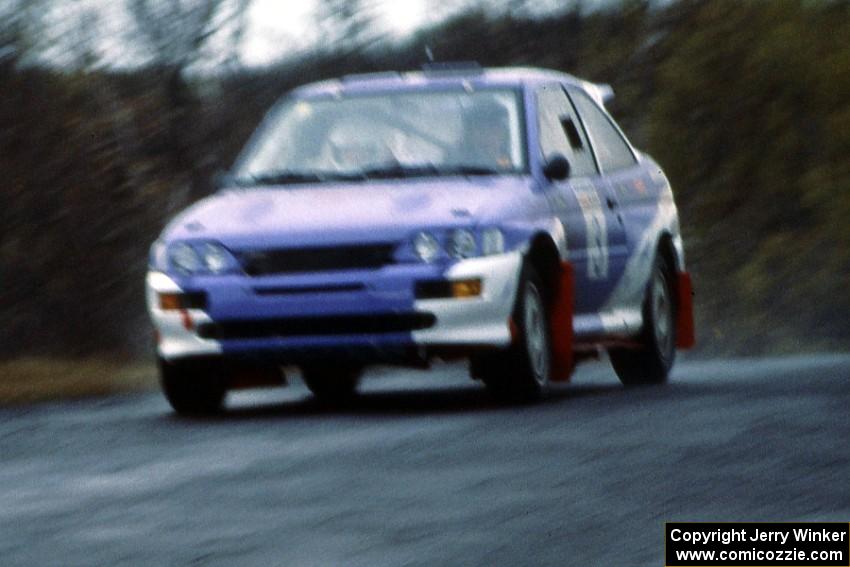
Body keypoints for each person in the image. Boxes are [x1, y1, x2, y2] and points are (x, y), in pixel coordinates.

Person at [459, 99, 513, 170]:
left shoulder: (512, 160)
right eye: (481, 129)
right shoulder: (458, 161)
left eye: (493, 128)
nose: (487, 136)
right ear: (470, 134)